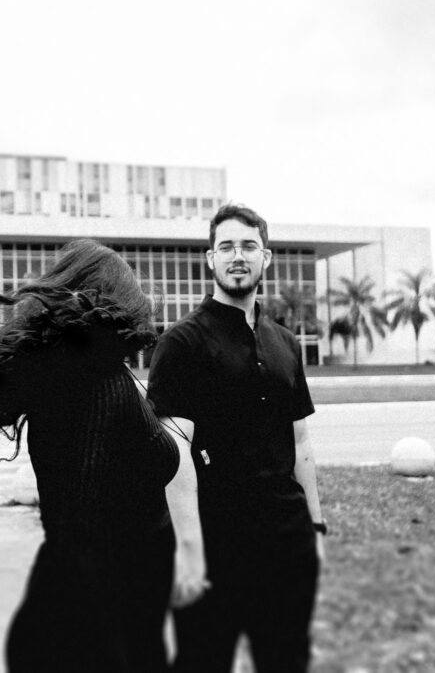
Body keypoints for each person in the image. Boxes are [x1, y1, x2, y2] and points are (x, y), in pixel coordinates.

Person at [0, 239, 194, 672]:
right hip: (100, 621)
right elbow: (82, 534)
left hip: (114, 609)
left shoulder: (75, 376)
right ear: (118, 301)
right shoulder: (100, 384)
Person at [147, 205, 326, 672]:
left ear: (266, 257)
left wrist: (315, 528)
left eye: (248, 246)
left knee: (286, 661)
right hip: (216, 546)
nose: (237, 256)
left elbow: (301, 443)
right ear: (211, 259)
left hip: (287, 542)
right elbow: (172, 453)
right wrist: (189, 552)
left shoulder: (285, 343)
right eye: (226, 247)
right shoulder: (181, 343)